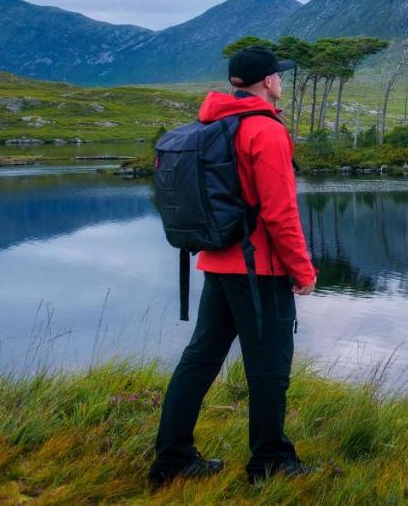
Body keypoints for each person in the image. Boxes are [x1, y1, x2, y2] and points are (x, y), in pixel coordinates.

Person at [148, 45, 319, 489]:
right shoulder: (265, 131)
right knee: (269, 369)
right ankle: (270, 462)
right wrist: (302, 271)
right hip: (259, 270)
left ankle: (171, 460)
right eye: (278, 75)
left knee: (199, 360)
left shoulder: (216, 123)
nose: (281, 80)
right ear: (267, 82)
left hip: (216, 262)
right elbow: (279, 214)